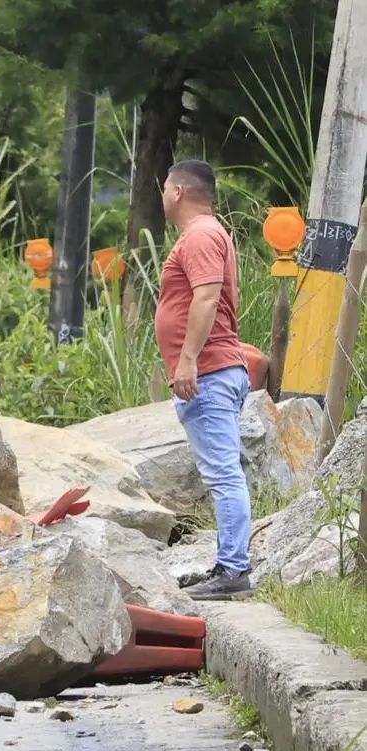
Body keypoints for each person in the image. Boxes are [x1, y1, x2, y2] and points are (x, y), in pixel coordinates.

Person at [154, 159, 252, 600]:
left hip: (209, 371)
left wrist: (188, 359)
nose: (162, 197)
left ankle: (233, 572)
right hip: (212, 370)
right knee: (221, 473)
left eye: (163, 190)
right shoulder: (208, 235)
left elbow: (208, 295)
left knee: (223, 475)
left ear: (177, 192)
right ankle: (225, 565)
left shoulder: (200, 235)